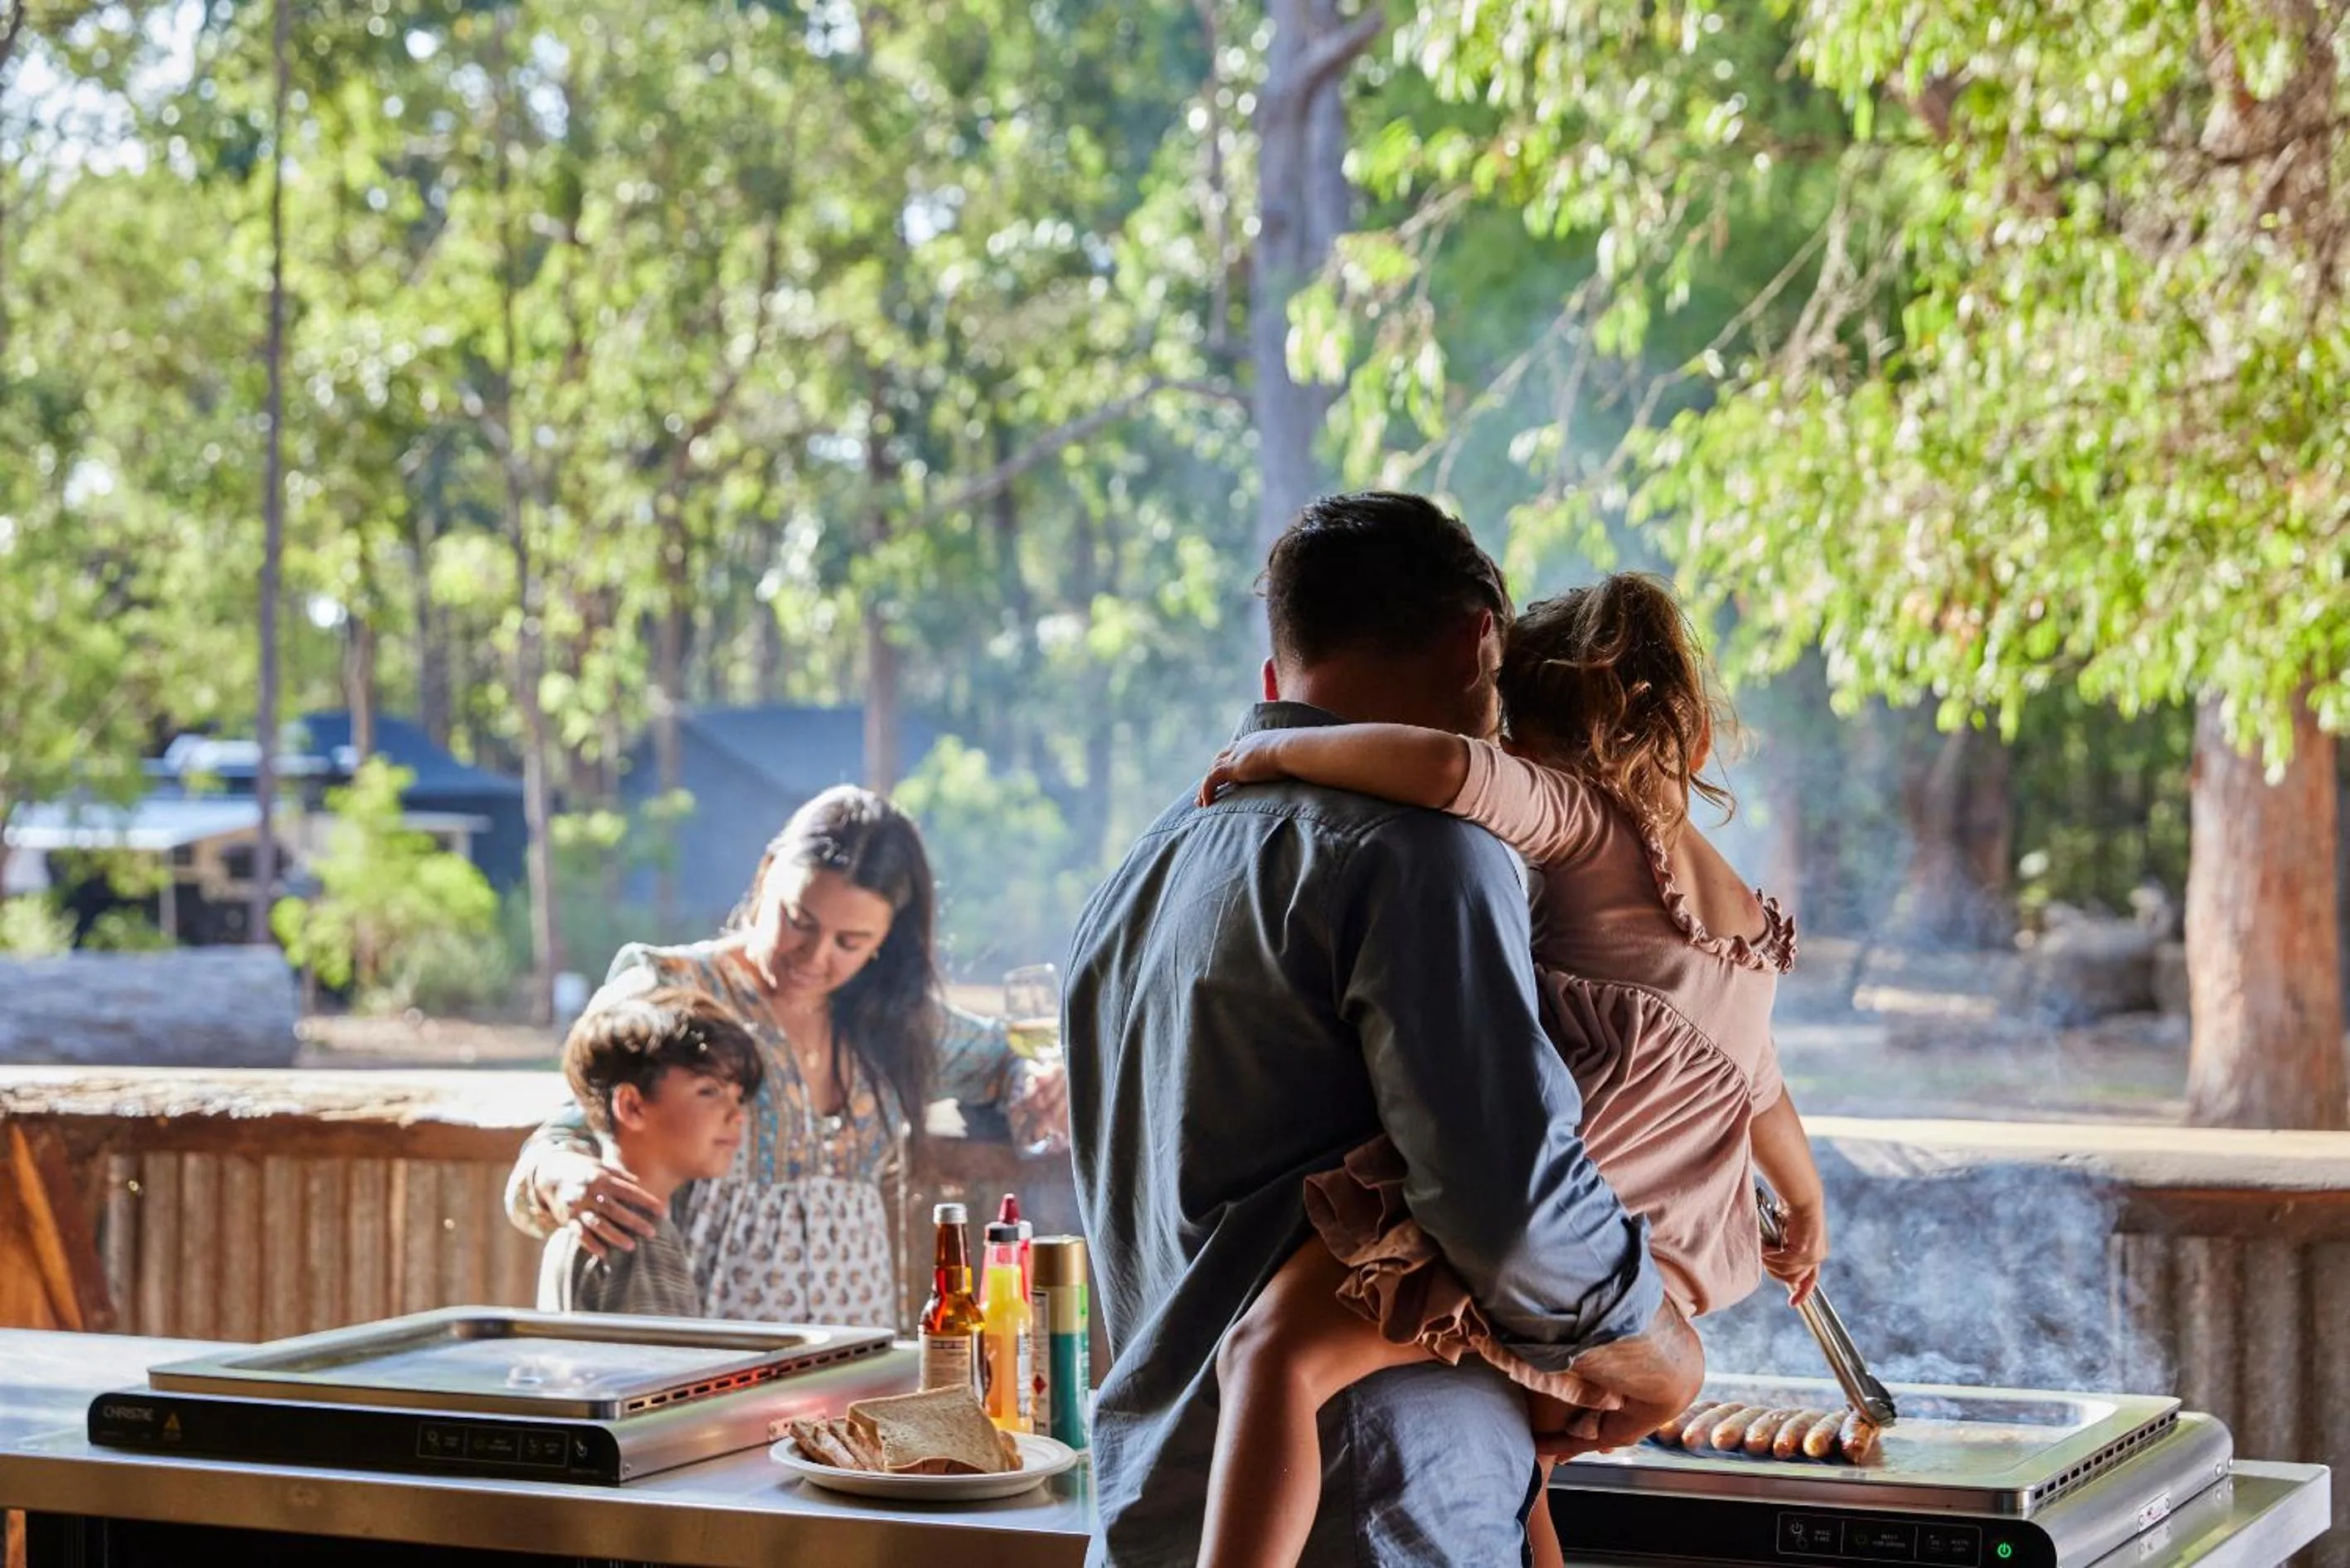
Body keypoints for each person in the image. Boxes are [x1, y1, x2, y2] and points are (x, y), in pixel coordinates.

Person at [1066, 493, 1704, 1568]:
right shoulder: (1425, 853)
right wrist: (1663, 1355)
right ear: (1479, 645)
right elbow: (1510, 1210)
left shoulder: (1141, 871)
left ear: (1275, 677)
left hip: (1149, 1512)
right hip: (1371, 1512)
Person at [1194, 571, 1826, 1568]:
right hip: (1654, 1262)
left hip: (1552, 1222)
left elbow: (1443, 771)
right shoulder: (1743, 918)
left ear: (1519, 733)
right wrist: (1802, 1198)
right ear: (1696, 740)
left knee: (1267, 1352)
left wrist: (1270, 749)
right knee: (1522, 1453)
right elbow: (1760, 1084)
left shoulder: (1576, 820)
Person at [504, 785, 1068, 1327]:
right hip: (703, 1363)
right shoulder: (672, 988)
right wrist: (565, 1177)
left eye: (850, 942)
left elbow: (1008, 1057)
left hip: (853, 1362)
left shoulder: (892, 1020)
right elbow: (560, 1138)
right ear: (767, 872)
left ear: (885, 939)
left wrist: (1045, 1081)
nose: (814, 955)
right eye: (798, 920)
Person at [537, 987, 765, 1317]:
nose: (736, 1115)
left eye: (738, 1096)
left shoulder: (604, 1223)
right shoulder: (635, 1234)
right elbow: (658, 1368)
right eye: (710, 1091)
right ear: (632, 1106)